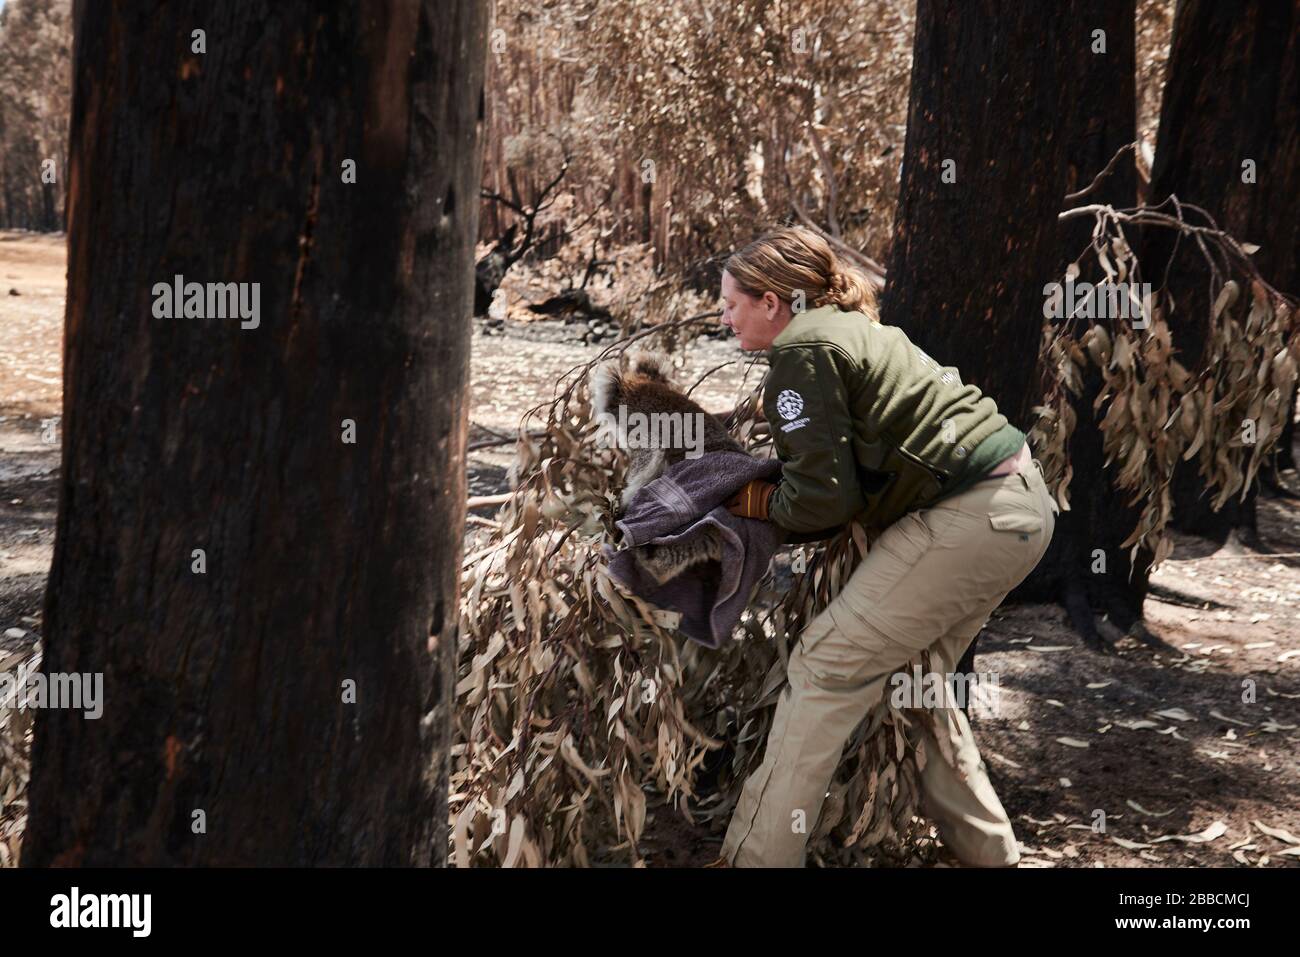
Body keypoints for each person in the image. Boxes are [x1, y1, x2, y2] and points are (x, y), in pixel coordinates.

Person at [711, 225, 1056, 868]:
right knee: (916, 685)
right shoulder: (852, 331)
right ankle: (993, 856)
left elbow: (822, 499)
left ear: (772, 303)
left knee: (824, 668)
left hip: (969, 516)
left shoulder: (804, 348)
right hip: (1023, 507)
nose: (724, 316)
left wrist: (755, 505)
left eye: (732, 303)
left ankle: (754, 859)